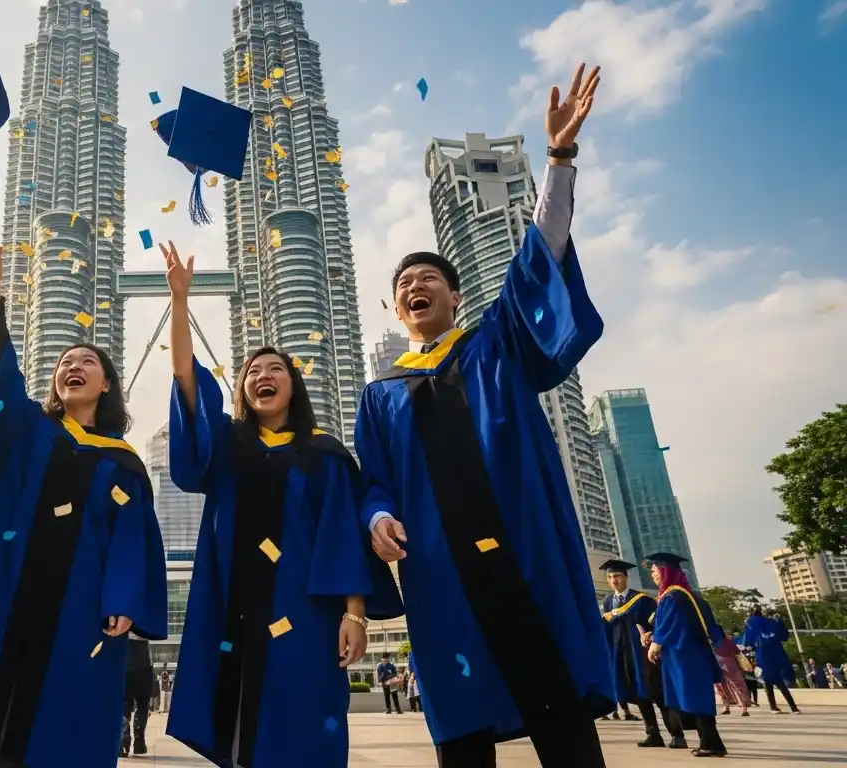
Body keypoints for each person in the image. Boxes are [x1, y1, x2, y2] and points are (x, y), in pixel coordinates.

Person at [357, 64, 612, 767]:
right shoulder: (381, 395)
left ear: (454, 296)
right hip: (439, 569)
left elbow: (539, 259)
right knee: (464, 728)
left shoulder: (494, 344)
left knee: (557, 705)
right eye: (404, 283)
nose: (415, 286)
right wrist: (377, 521)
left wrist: (559, 161)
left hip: (523, 546)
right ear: (397, 306)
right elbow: (373, 482)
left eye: (428, 278)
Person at [0, 236, 167, 768]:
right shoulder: (34, 430)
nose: (72, 366)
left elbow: (132, 538)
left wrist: (122, 598)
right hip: (13, 591)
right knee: (1, 713)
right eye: (64, 362)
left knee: (68, 721)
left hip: (83, 605)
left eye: (86, 362)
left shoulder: (123, 461)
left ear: (107, 384)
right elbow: (1, 381)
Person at [161, 240, 403, 768]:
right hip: (234, 605)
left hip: (307, 610)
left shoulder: (325, 455)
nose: (263, 376)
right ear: (244, 391)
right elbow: (186, 383)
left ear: (294, 386)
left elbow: (341, 533)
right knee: (239, 728)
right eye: (252, 372)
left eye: (276, 369)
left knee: (307, 722)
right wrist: (180, 300)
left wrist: (355, 615)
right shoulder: (228, 445)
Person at [642, 553, 727, 757]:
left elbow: (672, 624)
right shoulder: (687, 596)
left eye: (654, 571)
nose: (652, 575)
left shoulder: (673, 596)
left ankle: (712, 744)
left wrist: (656, 642)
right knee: (696, 698)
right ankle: (710, 742)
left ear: (664, 571)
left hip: (686, 657)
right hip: (690, 655)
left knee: (695, 698)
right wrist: (654, 635)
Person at [599, 559, 684, 748]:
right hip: (622, 654)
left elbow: (658, 623)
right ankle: (653, 734)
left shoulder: (642, 600)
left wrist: (652, 637)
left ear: (626, 577)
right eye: (610, 577)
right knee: (639, 695)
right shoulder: (607, 602)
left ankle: (677, 735)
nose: (614, 580)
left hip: (644, 654)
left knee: (658, 694)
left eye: (618, 576)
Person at [740, 605, 801, 714]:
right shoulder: (771, 622)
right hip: (776, 653)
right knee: (780, 682)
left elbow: (747, 641)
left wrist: (747, 647)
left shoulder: (750, 622)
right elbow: (783, 635)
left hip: (763, 654)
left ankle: (774, 707)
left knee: (767, 681)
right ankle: (793, 707)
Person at [120, 637, 154, 758]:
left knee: (124, 703)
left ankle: (124, 741)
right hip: (144, 662)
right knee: (143, 704)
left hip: (125, 658)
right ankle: (139, 742)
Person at [711, 626, 751, 717]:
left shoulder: (711, 643)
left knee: (721, 686)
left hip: (717, 665)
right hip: (731, 665)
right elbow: (737, 652)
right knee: (738, 686)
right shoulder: (727, 641)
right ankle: (744, 708)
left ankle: (726, 706)